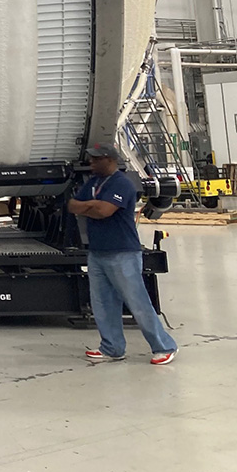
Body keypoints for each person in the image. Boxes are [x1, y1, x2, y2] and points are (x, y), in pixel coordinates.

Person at [68, 143, 178, 365]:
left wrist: (89, 206)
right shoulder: (93, 183)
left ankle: (164, 346)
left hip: (122, 253)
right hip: (97, 253)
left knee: (137, 301)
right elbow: (72, 205)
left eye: (96, 159)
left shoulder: (122, 184)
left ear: (109, 159)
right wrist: (92, 204)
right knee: (103, 303)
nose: (91, 162)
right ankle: (112, 347)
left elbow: (104, 212)